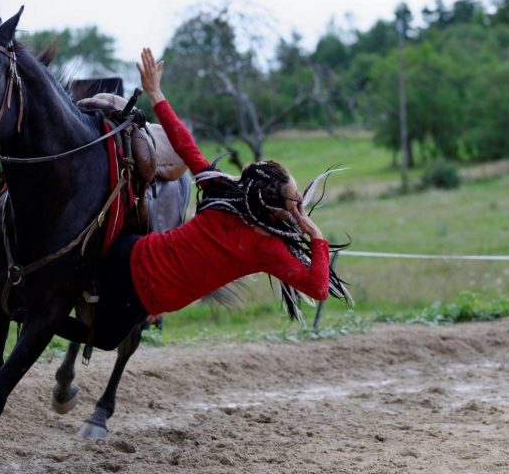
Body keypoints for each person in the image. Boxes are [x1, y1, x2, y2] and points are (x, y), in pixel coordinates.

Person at [59, 48, 350, 350]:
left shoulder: (224, 191)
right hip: (144, 294)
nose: (300, 201)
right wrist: (315, 234)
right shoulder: (268, 248)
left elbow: (186, 146)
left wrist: (156, 94)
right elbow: (318, 288)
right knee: (105, 340)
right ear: (277, 211)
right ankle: (35, 317)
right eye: (296, 199)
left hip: (129, 252)